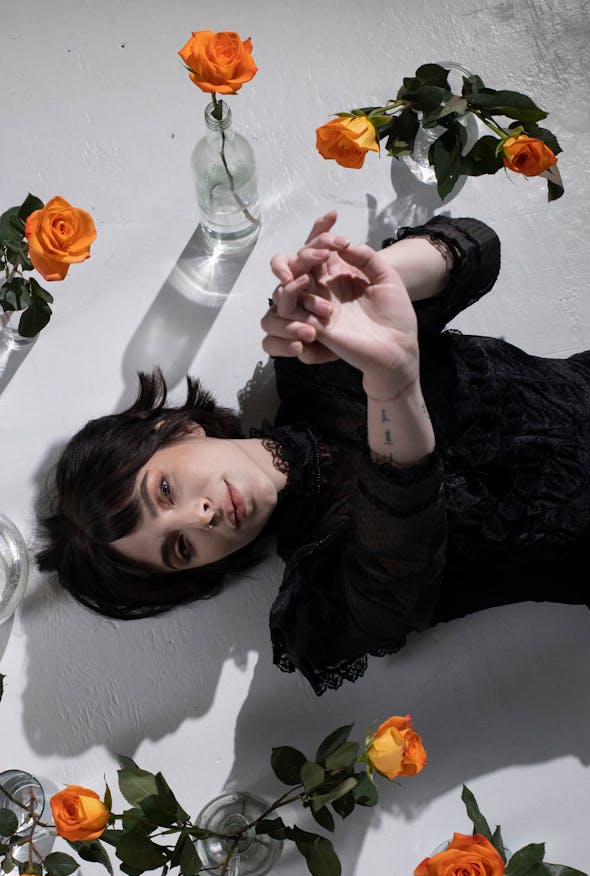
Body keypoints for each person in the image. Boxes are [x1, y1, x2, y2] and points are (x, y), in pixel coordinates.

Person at [37, 214, 590, 695]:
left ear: (175, 429)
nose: (199, 517)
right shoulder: (322, 604)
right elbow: (394, 574)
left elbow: (477, 248)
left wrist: (370, 281)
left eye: (163, 491)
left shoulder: (318, 359)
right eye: (180, 547)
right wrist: (391, 384)